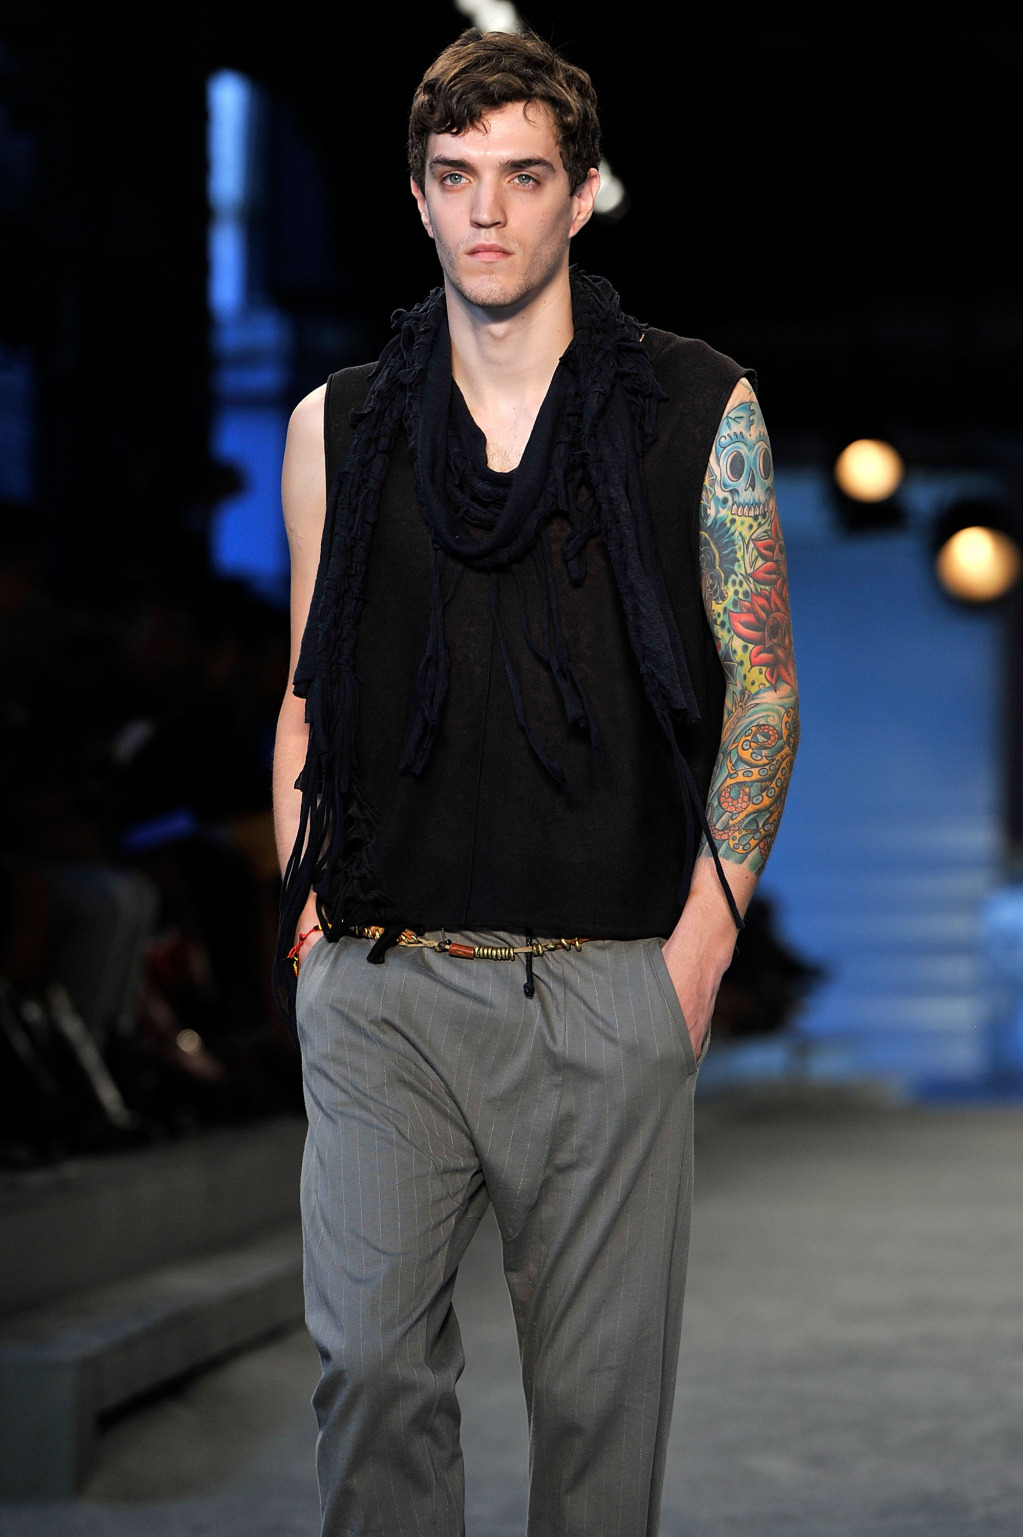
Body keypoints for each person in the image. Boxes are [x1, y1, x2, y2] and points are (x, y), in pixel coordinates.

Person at [272, 27, 799, 1536]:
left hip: (605, 984)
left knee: (595, 1432)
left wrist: (698, 952)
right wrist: (303, 920)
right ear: (418, 197)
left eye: (523, 175)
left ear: (581, 195)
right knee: (371, 1375)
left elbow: (763, 687)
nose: (488, 209)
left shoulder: (697, 407)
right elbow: (308, 687)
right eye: (456, 176)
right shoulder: (339, 425)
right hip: (384, 982)